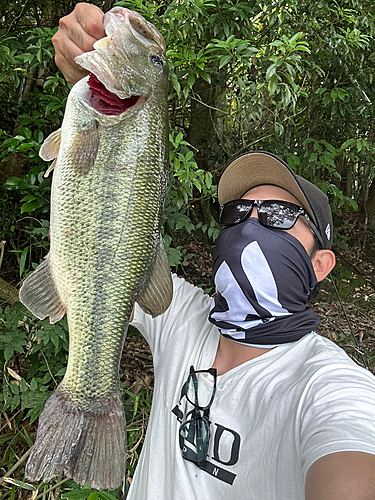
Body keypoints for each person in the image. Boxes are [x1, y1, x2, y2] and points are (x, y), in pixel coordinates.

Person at [52, 5, 375, 499]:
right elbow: (110, 244)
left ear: (320, 264)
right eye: (237, 213)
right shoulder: (182, 319)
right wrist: (94, 84)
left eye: (278, 216)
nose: (250, 224)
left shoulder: (329, 386)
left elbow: (350, 462)